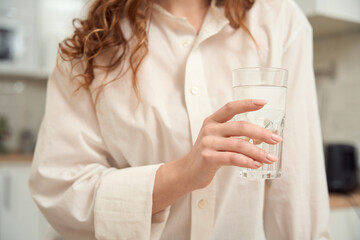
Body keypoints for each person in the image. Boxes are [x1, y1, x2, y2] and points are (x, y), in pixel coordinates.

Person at [29, 0, 330, 239]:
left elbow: (297, 188)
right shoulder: (91, 42)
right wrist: (181, 175)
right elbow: (59, 189)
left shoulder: (279, 20)